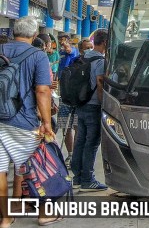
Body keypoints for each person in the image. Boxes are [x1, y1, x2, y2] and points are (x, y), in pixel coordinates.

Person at [0, 16, 61, 227]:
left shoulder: (1, 50)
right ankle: (44, 213)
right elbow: (42, 90)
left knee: (0, 170)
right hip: (23, 120)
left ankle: (5, 219)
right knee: (38, 165)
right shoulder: (38, 56)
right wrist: (46, 122)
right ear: (34, 35)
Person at [70, 29, 108, 191]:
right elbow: (100, 82)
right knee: (91, 143)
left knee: (80, 141)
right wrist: (103, 104)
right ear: (105, 42)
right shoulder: (100, 61)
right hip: (93, 106)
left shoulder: (83, 57)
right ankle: (87, 180)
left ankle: (77, 178)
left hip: (80, 104)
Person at [56, 33, 79, 165]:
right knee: (65, 125)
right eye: (60, 40)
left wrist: (66, 46)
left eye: (64, 40)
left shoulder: (72, 51)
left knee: (76, 125)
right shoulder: (60, 52)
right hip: (63, 94)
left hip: (73, 95)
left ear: (69, 41)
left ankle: (75, 155)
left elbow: (70, 50)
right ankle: (70, 154)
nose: (62, 43)